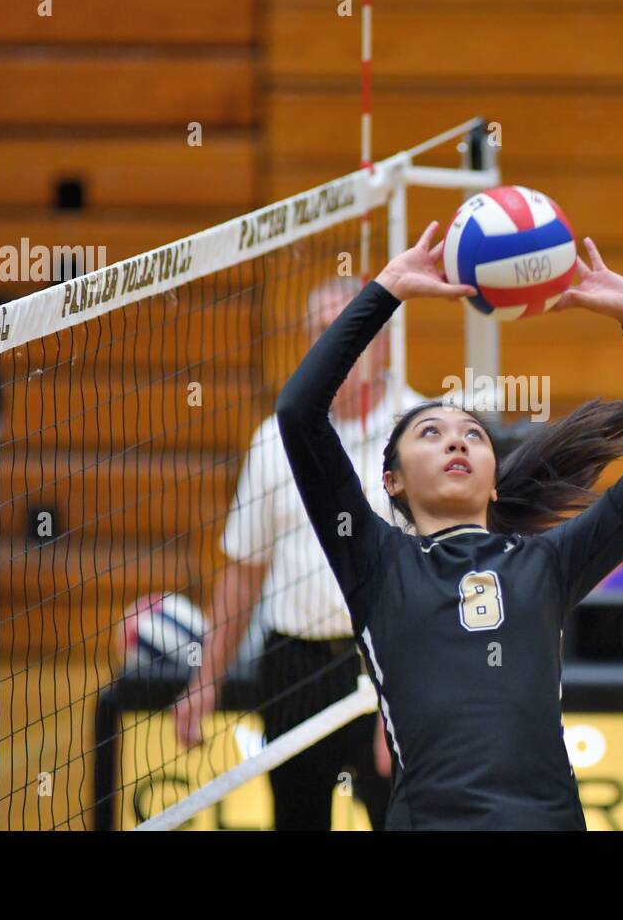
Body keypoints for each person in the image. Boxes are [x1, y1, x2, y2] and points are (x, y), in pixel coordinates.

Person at [275, 223, 623, 829]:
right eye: (431, 433)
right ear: (392, 482)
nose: (456, 439)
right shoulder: (374, 560)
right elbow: (299, 413)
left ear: (494, 479)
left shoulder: (549, 563)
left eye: (472, 435)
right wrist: (387, 292)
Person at [174, 276, 426, 830]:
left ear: (379, 339)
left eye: (347, 332)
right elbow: (243, 572)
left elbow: (437, 581)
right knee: (295, 822)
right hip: (293, 666)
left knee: (405, 821)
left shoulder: (420, 433)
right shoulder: (276, 439)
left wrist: (403, 692)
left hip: (386, 664)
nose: (334, 349)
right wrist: (205, 679)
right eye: (320, 334)